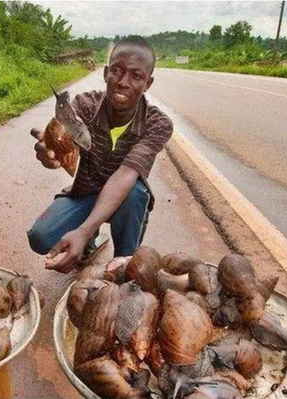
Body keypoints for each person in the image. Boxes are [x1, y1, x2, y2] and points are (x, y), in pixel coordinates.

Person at [27, 36, 173, 274]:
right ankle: (88, 240)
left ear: (148, 83)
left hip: (125, 198)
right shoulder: (84, 105)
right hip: (85, 192)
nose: (123, 82)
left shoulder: (157, 124)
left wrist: (83, 231)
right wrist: (52, 151)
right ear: (106, 73)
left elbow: (126, 173)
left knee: (136, 192)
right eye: (117, 71)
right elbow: (64, 133)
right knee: (40, 237)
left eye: (136, 76)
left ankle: (124, 262)